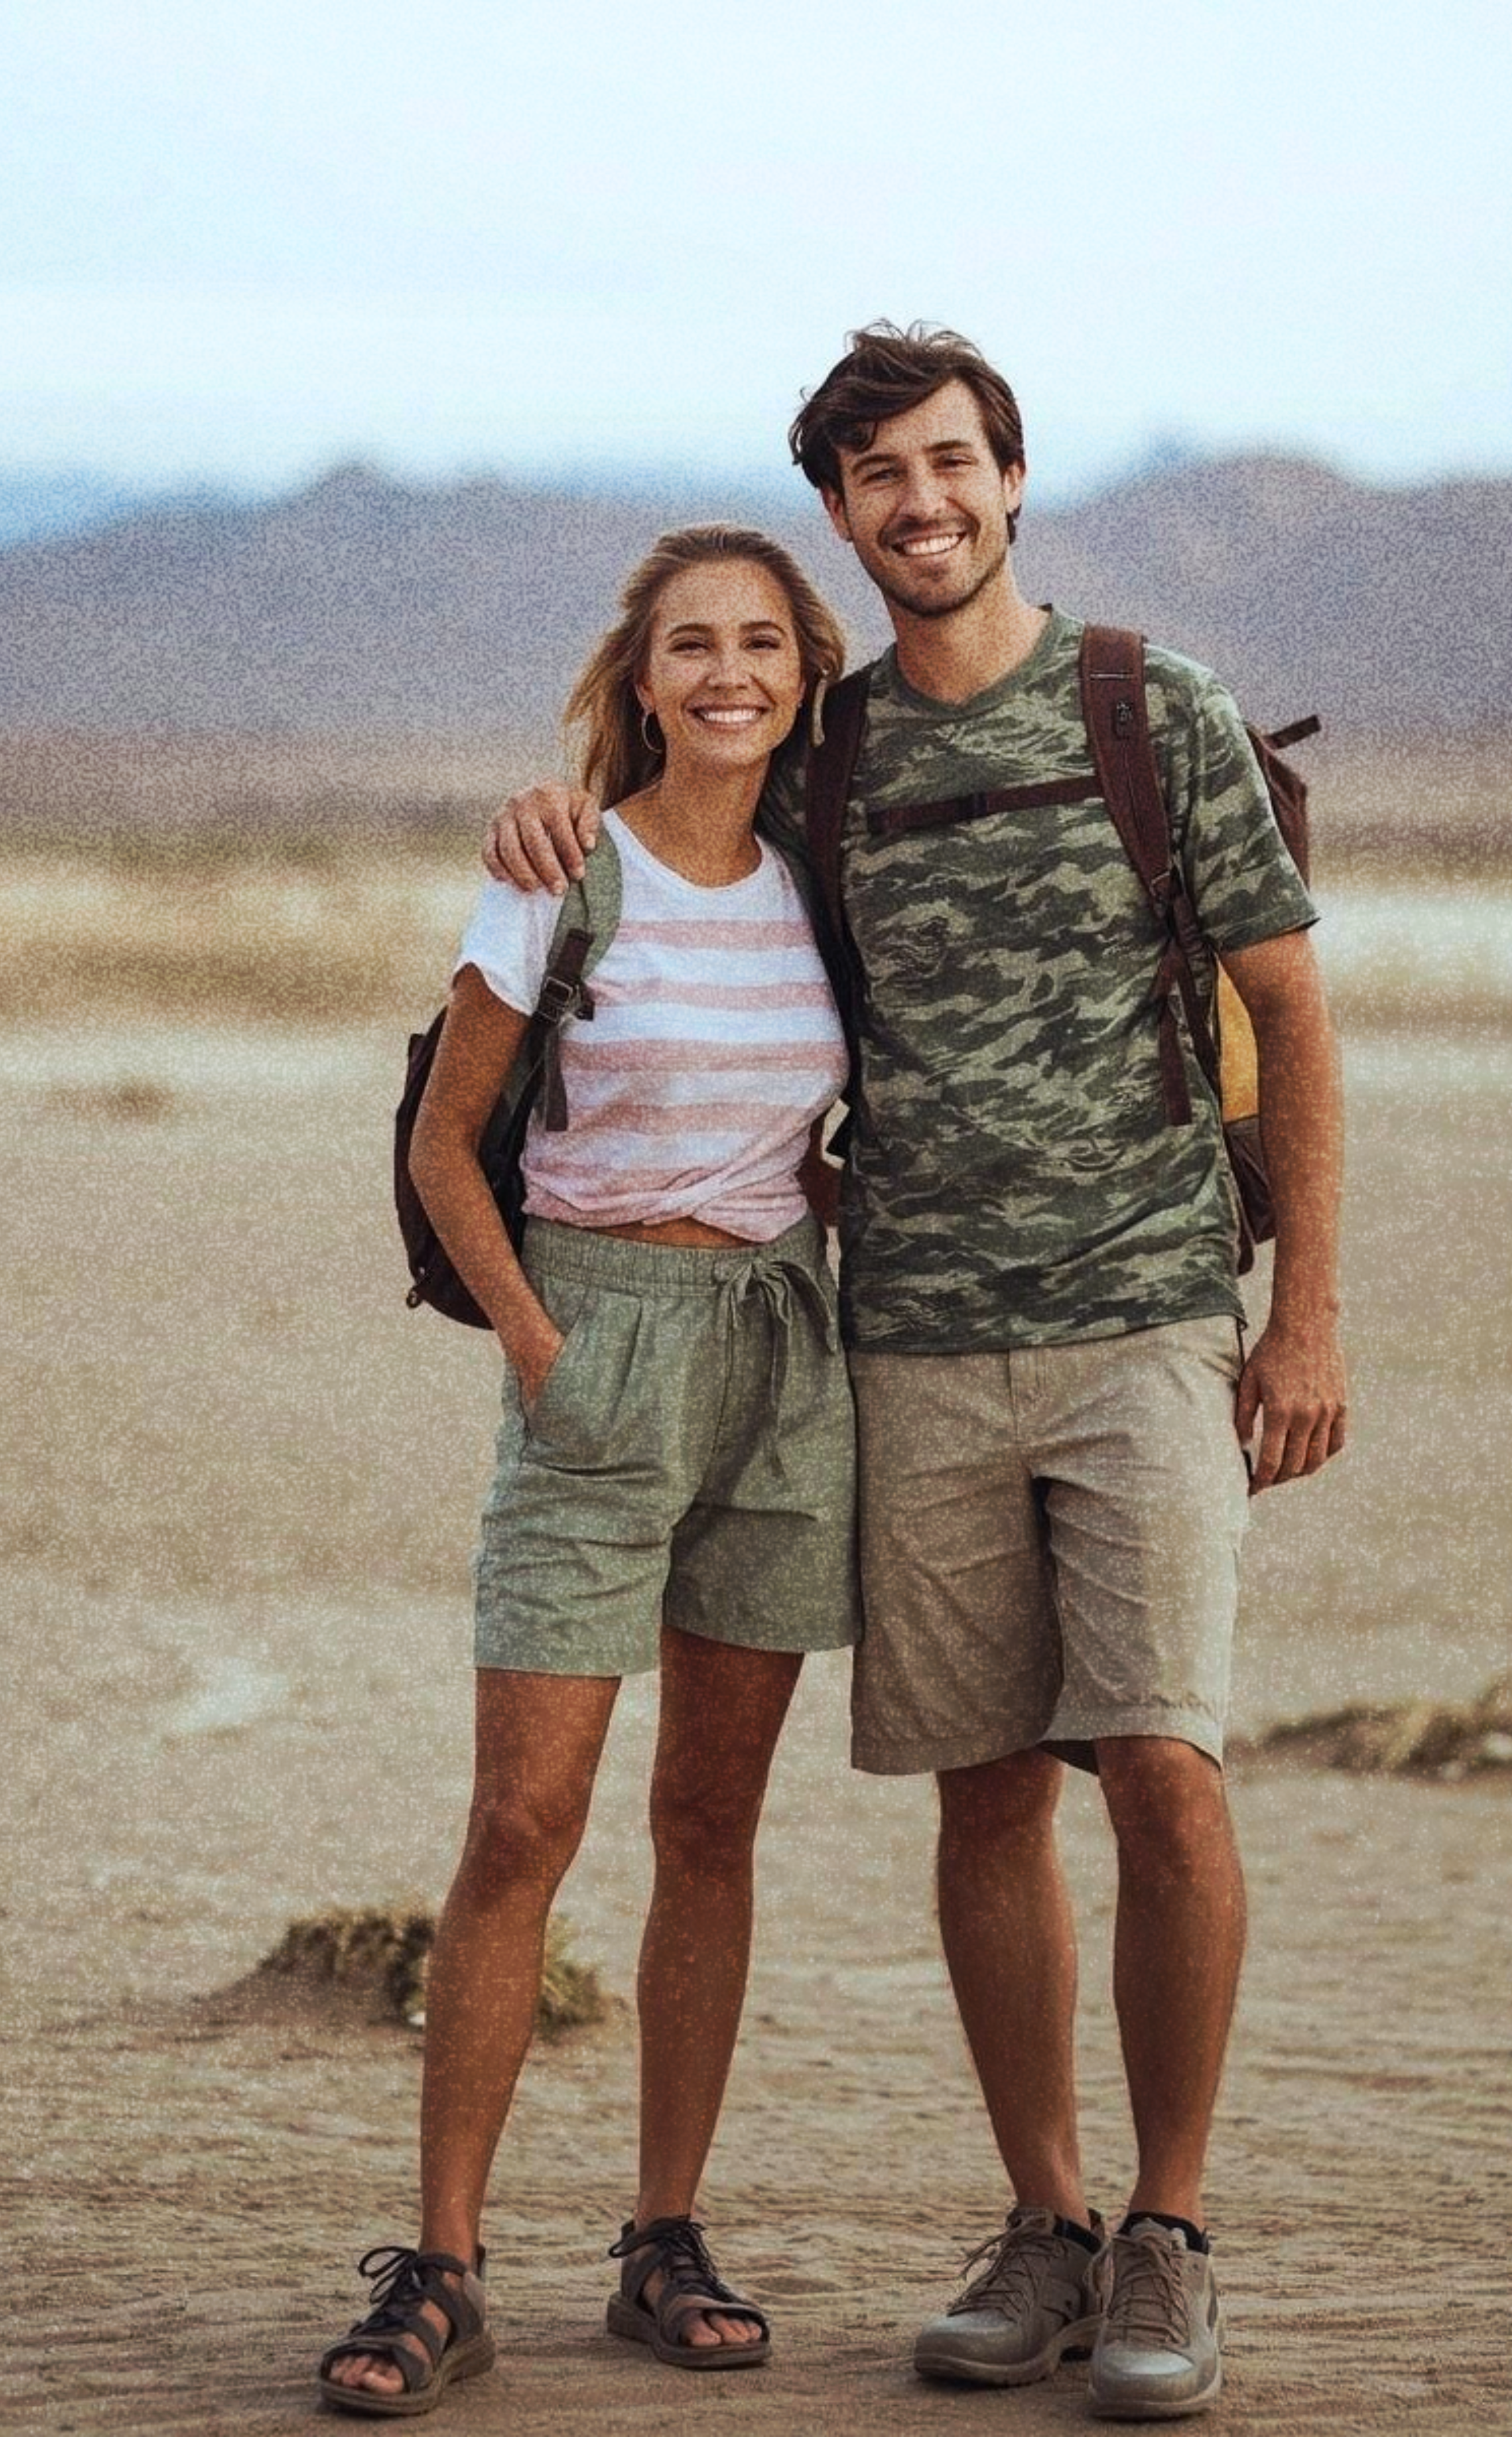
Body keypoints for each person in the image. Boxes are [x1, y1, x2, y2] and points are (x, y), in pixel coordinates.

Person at [486, 325, 1349, 2423]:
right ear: (844, 517)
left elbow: (1292, 1018)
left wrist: (1306, 1310)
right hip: (909, 1343)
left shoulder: (1156, 710)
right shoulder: (833, 757)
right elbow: (675, 817)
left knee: (1159, 1762)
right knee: (981, 1800)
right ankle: (1042, 2224)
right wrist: (550, 800)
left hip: (1145, 1321)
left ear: (1011, 478)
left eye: (950, 464)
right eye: (878, 481)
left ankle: (1170, 2233)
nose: (922, 505)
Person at [318, 526, 857, 2417]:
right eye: (693, 644)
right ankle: (441, 2269)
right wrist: (540, 1343)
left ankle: (661, 2238)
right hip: (599, 1350)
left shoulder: (826, 878)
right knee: (522, 1827)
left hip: (787, 1370)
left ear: (807, 671)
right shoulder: (563, 873)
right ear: (643, 676)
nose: (731, 672)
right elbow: (449, 1146)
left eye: (765, 643)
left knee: (710, 1829)